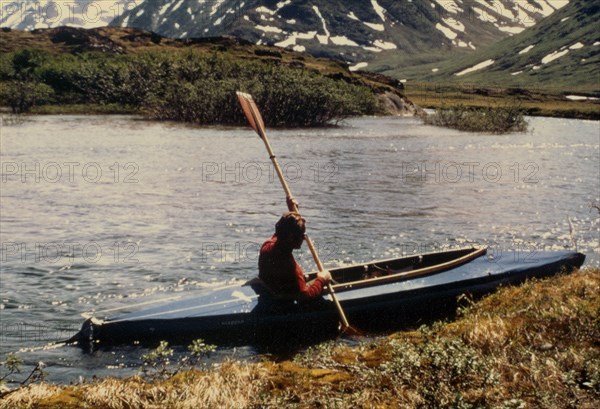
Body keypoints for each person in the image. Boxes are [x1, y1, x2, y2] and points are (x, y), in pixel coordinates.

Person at [258, 196, 332, 301]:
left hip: (271, 291)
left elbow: (284, 229)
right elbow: (305, 295)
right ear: (291, 238)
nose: (304, 239)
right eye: (302, 235)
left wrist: (292, 212)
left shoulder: (267, 245)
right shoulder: (289, 266)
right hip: (285, 302)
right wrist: (322, 280)